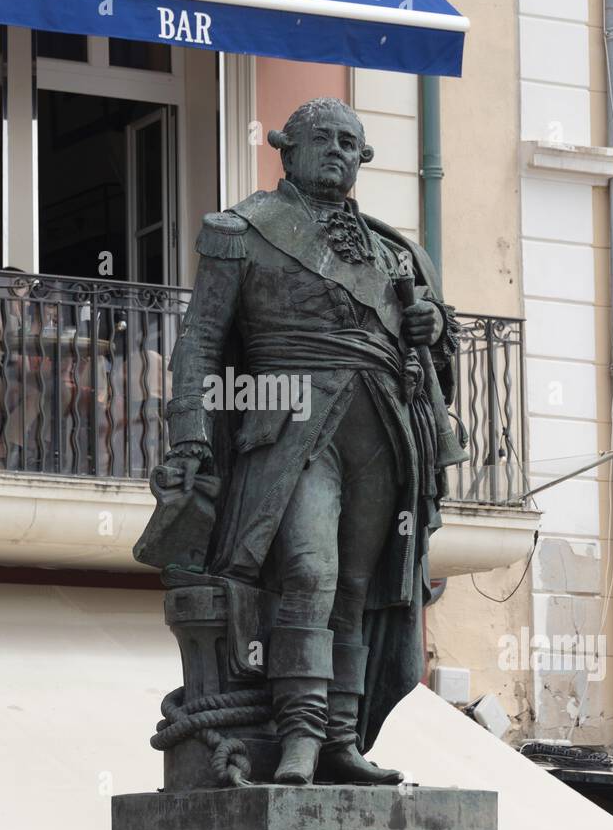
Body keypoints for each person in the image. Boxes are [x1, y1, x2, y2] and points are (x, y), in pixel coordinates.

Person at [157, 98, 465, 786]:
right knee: (305, 572)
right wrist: (188, 436)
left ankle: (338, 742)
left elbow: (437, 359)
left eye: (349, 142)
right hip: (289, 424)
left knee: (357, 589)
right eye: (321, 137)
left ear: (362, 159)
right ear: (284, 149)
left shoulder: (397, 251)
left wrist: (428, 332)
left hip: (383, 425)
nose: (335, 149)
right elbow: (201, 342)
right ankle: (296, 735)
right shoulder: (239, 230)